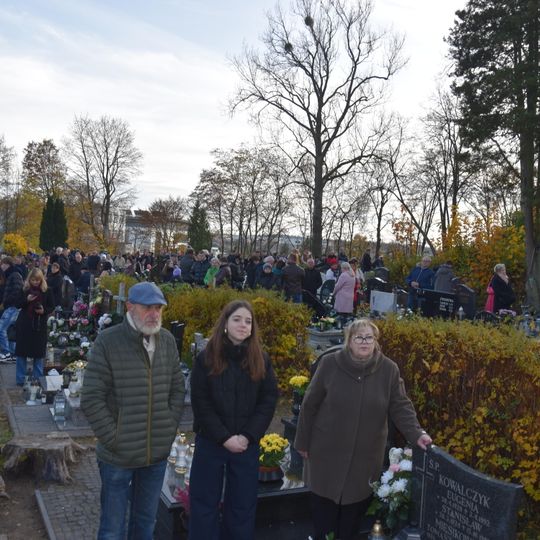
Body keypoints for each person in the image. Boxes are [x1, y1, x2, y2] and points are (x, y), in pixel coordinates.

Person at [294, 318, 432, 540]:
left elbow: (401, 406)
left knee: (351, 523)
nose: (364, 342)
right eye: (359, 337)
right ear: (349, 341)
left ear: (376, 341)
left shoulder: (388, 369)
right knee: (324, 522)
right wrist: (302, 442)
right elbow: (310, 405)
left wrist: (417, 434)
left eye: (369, 337)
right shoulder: (329, 364)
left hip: (364, 458)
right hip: (326, 454)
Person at [81, 282, 185, 540]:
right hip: (118, 457)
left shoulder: (167, 341)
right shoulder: (108, 341)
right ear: (130, 306)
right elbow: (92, 398)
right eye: (147, 307)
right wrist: (115, 438)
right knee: (112, 530)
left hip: (155, 456)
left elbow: (177, 389)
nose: (154, 314)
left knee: (145, 524)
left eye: (158, 308)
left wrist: (167, 429)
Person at [189, 300, 278, 540]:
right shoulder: (206, 358)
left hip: (246, 445)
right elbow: (201, 403)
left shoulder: (261, 359)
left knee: (242, 507)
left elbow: (268, 400)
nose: (243, 325)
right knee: (204, 505)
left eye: (248, 321)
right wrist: (224, 437)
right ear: (225, 323)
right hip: (211, 443)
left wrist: (248, 436)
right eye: (237, 319)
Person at [15, 269, 55, 386]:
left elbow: (51, 306)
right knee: (21, 353)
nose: (35, 282)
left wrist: (43, 311)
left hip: (39, 325)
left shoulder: (47, 290)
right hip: (25, 324)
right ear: (29, 279)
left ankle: (38, 379)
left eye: (38, 280)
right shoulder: (24, 290)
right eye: (33, 280)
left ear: (41, 280)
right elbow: (17, 304)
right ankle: (20, 379)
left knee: (38, 354)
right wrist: (27, 300)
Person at [0, 257, 24, 361]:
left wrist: (7, 301)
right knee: (10, 329)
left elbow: (17, 291)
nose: (1, 266)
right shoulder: (11, 274)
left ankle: (5, 352)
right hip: (12, 305)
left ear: (7, 264)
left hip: (12, 306)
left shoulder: (14, 275)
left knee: (1, 328)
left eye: (2, 264)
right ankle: (12, 353)